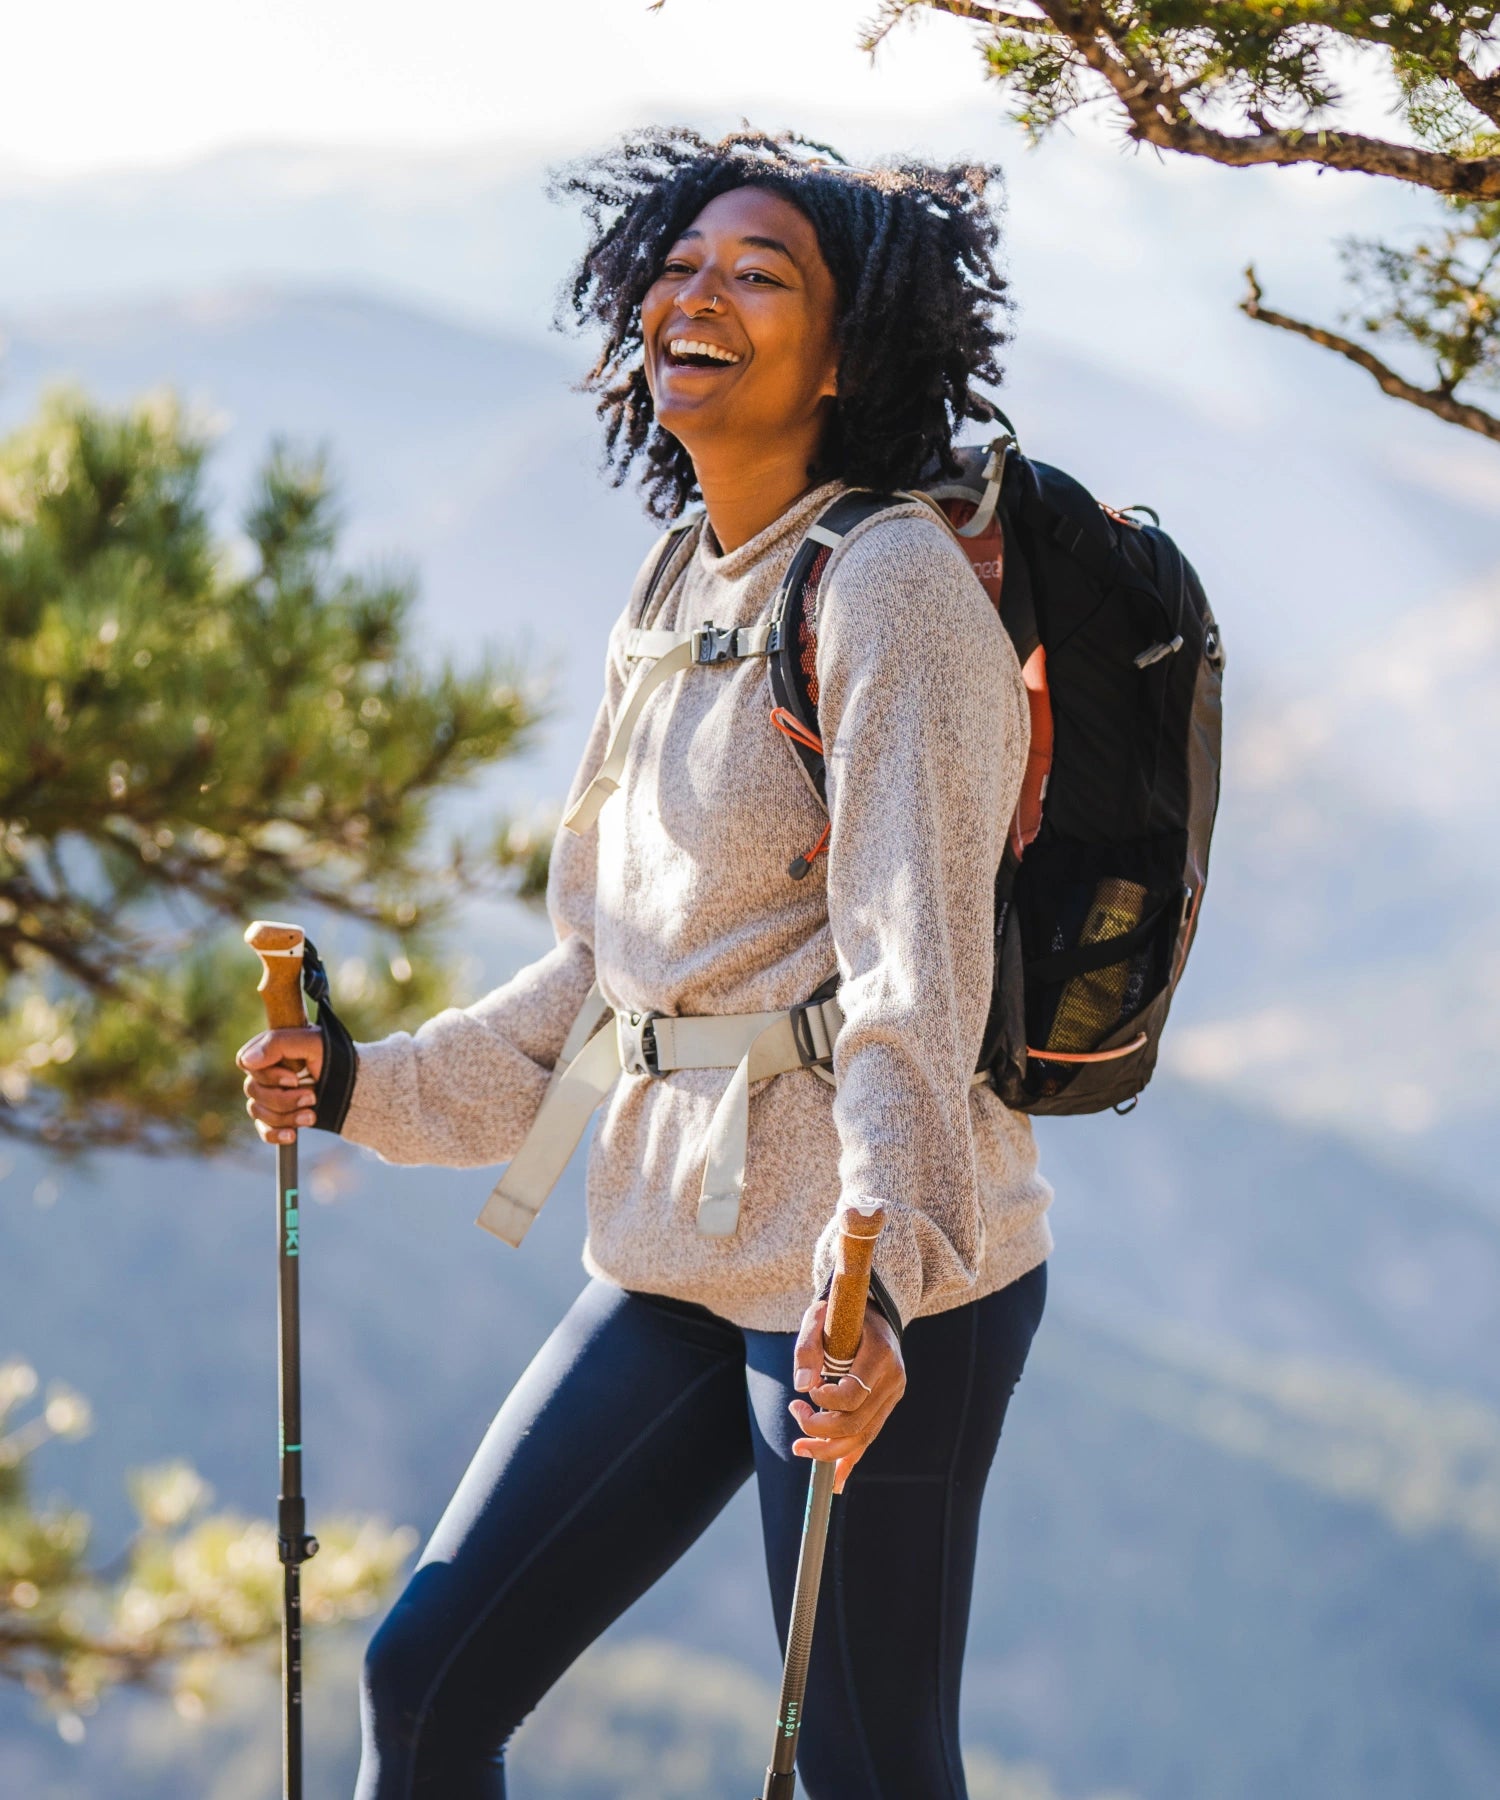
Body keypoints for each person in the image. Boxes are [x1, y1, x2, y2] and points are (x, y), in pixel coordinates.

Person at [237, 128, 1053, 1800]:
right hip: (679, 1239)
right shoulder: (682, 573)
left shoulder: (889, 587)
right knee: (428, 1679)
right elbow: (610, 977)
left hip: (867, 1275)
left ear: (846, 357)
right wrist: (368, 1086)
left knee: (867, 1766)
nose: (700, 292)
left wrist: (877, 1276)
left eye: (761, 276)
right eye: (680, 265)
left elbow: (918, 974)